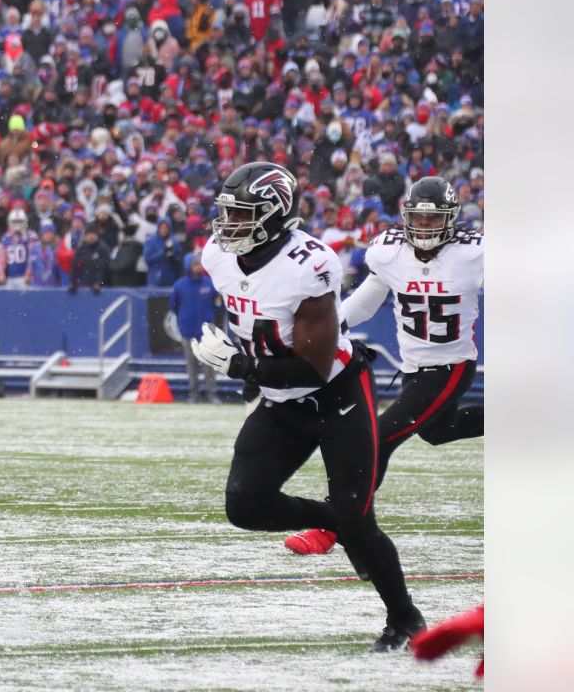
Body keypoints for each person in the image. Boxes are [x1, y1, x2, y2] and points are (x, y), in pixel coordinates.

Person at [192, 161, 425, 652]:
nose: (226, 226)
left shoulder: (309, 265)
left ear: (273, 216)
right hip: (281, 401)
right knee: (244, 504)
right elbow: (252, 314)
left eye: (241, 215)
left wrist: (239, 368)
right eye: (227, 214)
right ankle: (339, 521)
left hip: (337, 396)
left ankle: (405, 620)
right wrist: (248, 367)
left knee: (360, 519)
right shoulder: (218, 254)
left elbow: (313, 368)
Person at [285, 177, 484, 555]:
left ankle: (333, 525)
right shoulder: (388, 251)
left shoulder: (474, 253)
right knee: (440, 431)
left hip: (452, 366)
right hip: (414, 367)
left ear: (451, 219)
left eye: (432, 219)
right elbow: (365, 302)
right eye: (418, 218)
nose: (423, 227)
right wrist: (325, 332)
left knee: (377, 439)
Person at [170, 252, 219, 404]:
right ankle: (194, 394)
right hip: (188, 332)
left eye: (199, 264)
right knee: (191, 365)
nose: (198, 268)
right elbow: (173, 306)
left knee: (208, 364)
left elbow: (217, 304)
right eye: (195, 265)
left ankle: (212, 394)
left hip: (206, 333)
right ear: (188, 267)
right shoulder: (179, 286)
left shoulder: (208, 283)